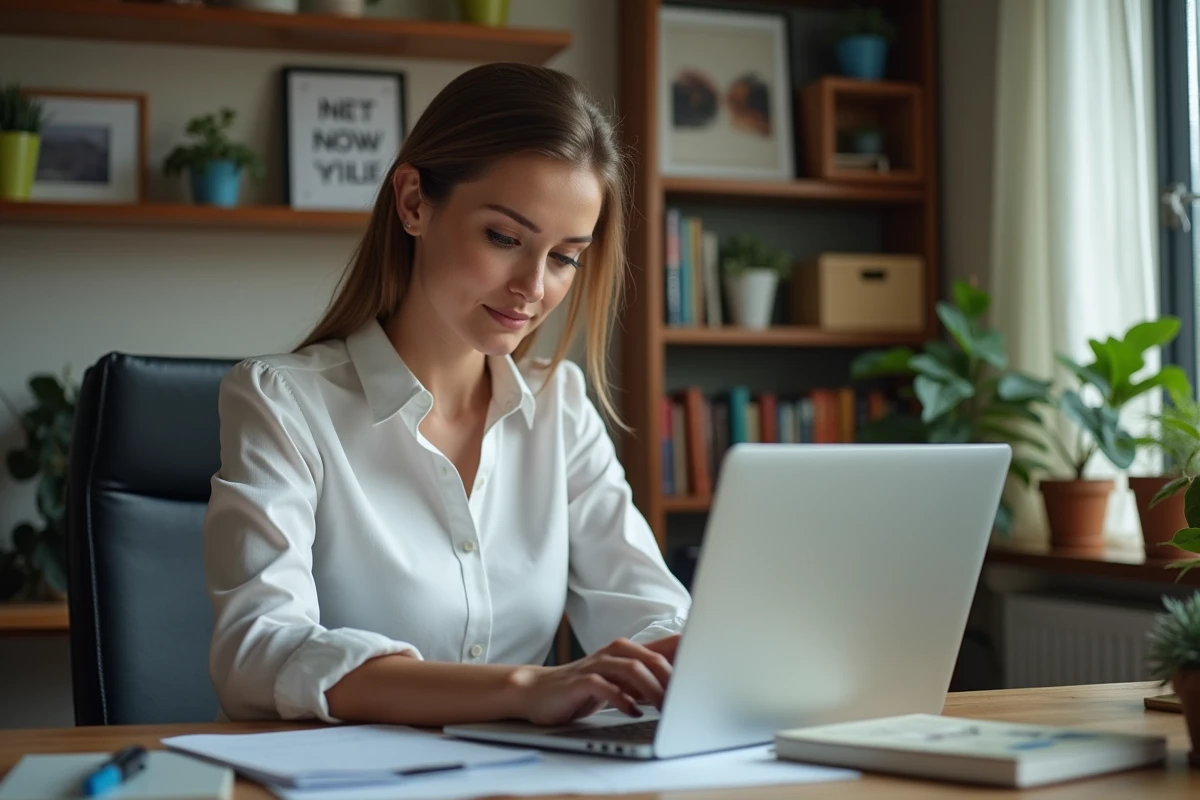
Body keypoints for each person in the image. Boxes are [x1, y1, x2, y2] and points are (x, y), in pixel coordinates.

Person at [202, 63, 692, 728]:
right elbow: (259, 655)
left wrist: (687, 650)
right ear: (413, 203)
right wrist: (523, 689)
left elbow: (648, 606)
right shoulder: (283, 403)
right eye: (504, 238)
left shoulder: (560, 406)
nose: (532, 287)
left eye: (564, 257)